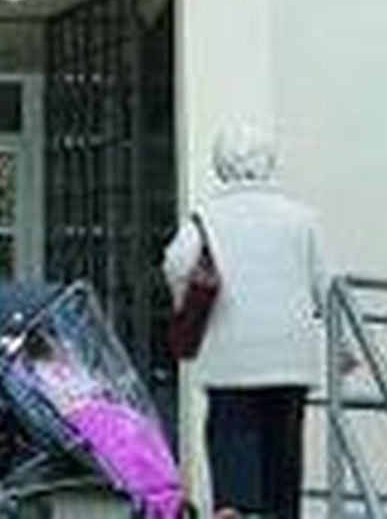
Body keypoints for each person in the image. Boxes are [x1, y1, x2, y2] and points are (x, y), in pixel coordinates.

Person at [163, 126, 325, 519]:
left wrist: (187, 300)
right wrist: (343, 349)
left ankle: (233, 508)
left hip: (230, 357)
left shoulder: (207, 216)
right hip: (289, 357)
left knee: (232, 439)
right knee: (283, 450)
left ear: (222, 164)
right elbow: (327, 284)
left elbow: (178, 263)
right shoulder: (301, 218)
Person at [22, 335, 185, 519]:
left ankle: (160, 486)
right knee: (124, 432)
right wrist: (80, 384)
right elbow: (63, 397)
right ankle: (151, 488)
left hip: (90, 406)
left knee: (136, 423)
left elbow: (86, 383)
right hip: (80, 413)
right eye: (53, 341)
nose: (60, 344)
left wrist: (94, 384)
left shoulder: (63, 363)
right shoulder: (42, 371)